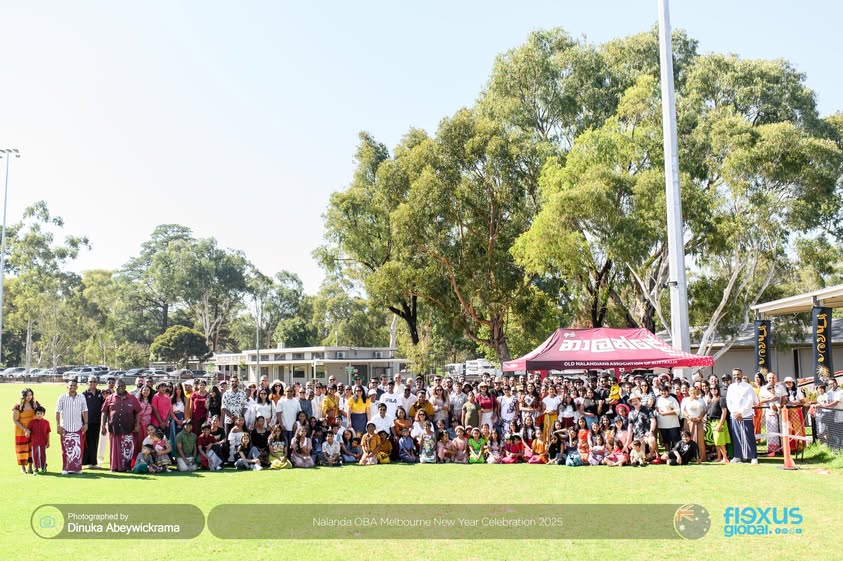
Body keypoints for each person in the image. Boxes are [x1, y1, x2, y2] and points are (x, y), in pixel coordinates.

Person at [100, 379, 142, 472]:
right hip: (115, 428)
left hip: (128, 428)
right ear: (114, 387)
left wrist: (137, 425)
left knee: (127, 448)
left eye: (122, 386)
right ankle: (115, 467)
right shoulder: (110, 398)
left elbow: (138, 412)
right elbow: (104, 412)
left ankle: (127, 467)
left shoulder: (132, 398)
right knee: (115, 449)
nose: (120, 388)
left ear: (125, 387)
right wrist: (103, 425)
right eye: (118, 386)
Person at [726, 369, 759, 464]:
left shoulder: (748, 386)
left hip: (746, 415)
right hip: (734, 416)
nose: (736, 376)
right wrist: (734, 412)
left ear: (742, 375)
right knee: (736, 436)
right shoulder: (731, 387)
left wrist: (741, 412)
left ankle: (753, 457)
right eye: (734, 375)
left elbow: (750, 401)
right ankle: (737, 456)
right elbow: (729, 401)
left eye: (738, 374)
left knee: (749, 436)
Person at [56, 379, 89, 475]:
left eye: (74, 385)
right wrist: (58, 425)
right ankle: (65, 468)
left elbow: (85, 411)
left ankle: (77, 469)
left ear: (77, 387)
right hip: (65, 427)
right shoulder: (62, 398)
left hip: (78, 427)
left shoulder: (81, 397)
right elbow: (57, 412)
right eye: (70, 385)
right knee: (65, 449)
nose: (72, 387)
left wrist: (86, 423)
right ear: (67, 387)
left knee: (78, 449)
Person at [12, 387, 40, 474]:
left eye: (31, 395)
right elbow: (15, 420)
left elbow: (41, 413)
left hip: (33, 430)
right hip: (21, 430)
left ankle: (31, 467)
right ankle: (23, 468)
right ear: (23, 396)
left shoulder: (35, 404)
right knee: (22, 448)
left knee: (32, 448)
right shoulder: (18, 406)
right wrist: (25, 429)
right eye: (27, 395)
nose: (29, 397)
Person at [82, 376, 105, 468]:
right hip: (87, 421)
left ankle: (93, 462)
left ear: (97, 383)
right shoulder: (83, 394)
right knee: (86, 442)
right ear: (87, 383)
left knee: (95, 442)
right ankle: (84, 462)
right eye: (90, 381)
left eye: (94, 381)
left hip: (97, 421)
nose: (92, 383)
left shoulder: (100, 393)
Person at [680, 386, 707, 464]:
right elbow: (683, 410)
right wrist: (689, 417)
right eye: (691, 391)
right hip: (689, 422)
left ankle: (701, 457)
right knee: (689, 439)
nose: (693, 393)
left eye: (694, 391)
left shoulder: (701, 400)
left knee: (700, 440)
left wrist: (700, 417)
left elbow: (704, 410)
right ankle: (690, 457)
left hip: (699, 421)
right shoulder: (685, 400)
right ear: (689, 392)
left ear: (697, 392)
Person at [706, 384, 731, 463]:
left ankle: (725, 458)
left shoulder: (721, 399)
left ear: (718, 389)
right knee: (717, 442)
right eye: (711, 388)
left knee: (720, 441)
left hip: (718, 421)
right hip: (711, 422)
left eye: (715, 388)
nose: (713, 390)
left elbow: (724, 411)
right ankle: (720, 457)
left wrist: (720, 424)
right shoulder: (710, 400)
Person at [655, 384, 682, 452]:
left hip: (673, 424)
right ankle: (668, 454)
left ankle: (678, 455)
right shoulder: (658, 399)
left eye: (665, 391)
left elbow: (678, 411)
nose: (663, 393)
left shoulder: (672, 399)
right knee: (665, 441)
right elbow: (656, 409)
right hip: (662, 424)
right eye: (661, 391)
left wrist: (665, 413)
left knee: (675, 441)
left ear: (668, 391)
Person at [29, 405, 51, 474]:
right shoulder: (32, 422)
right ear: (35, 414)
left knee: (43, 455)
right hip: (34, 442)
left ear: (43, 414)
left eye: (41, 414)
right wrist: (27, 433)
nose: (39, 415)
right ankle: (36, 468)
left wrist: (48, 442)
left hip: (43, 442)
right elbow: (28, 431)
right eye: (38, 413)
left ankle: (43, 467)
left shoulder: (46, 422)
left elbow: (48, 432)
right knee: (35, 455)